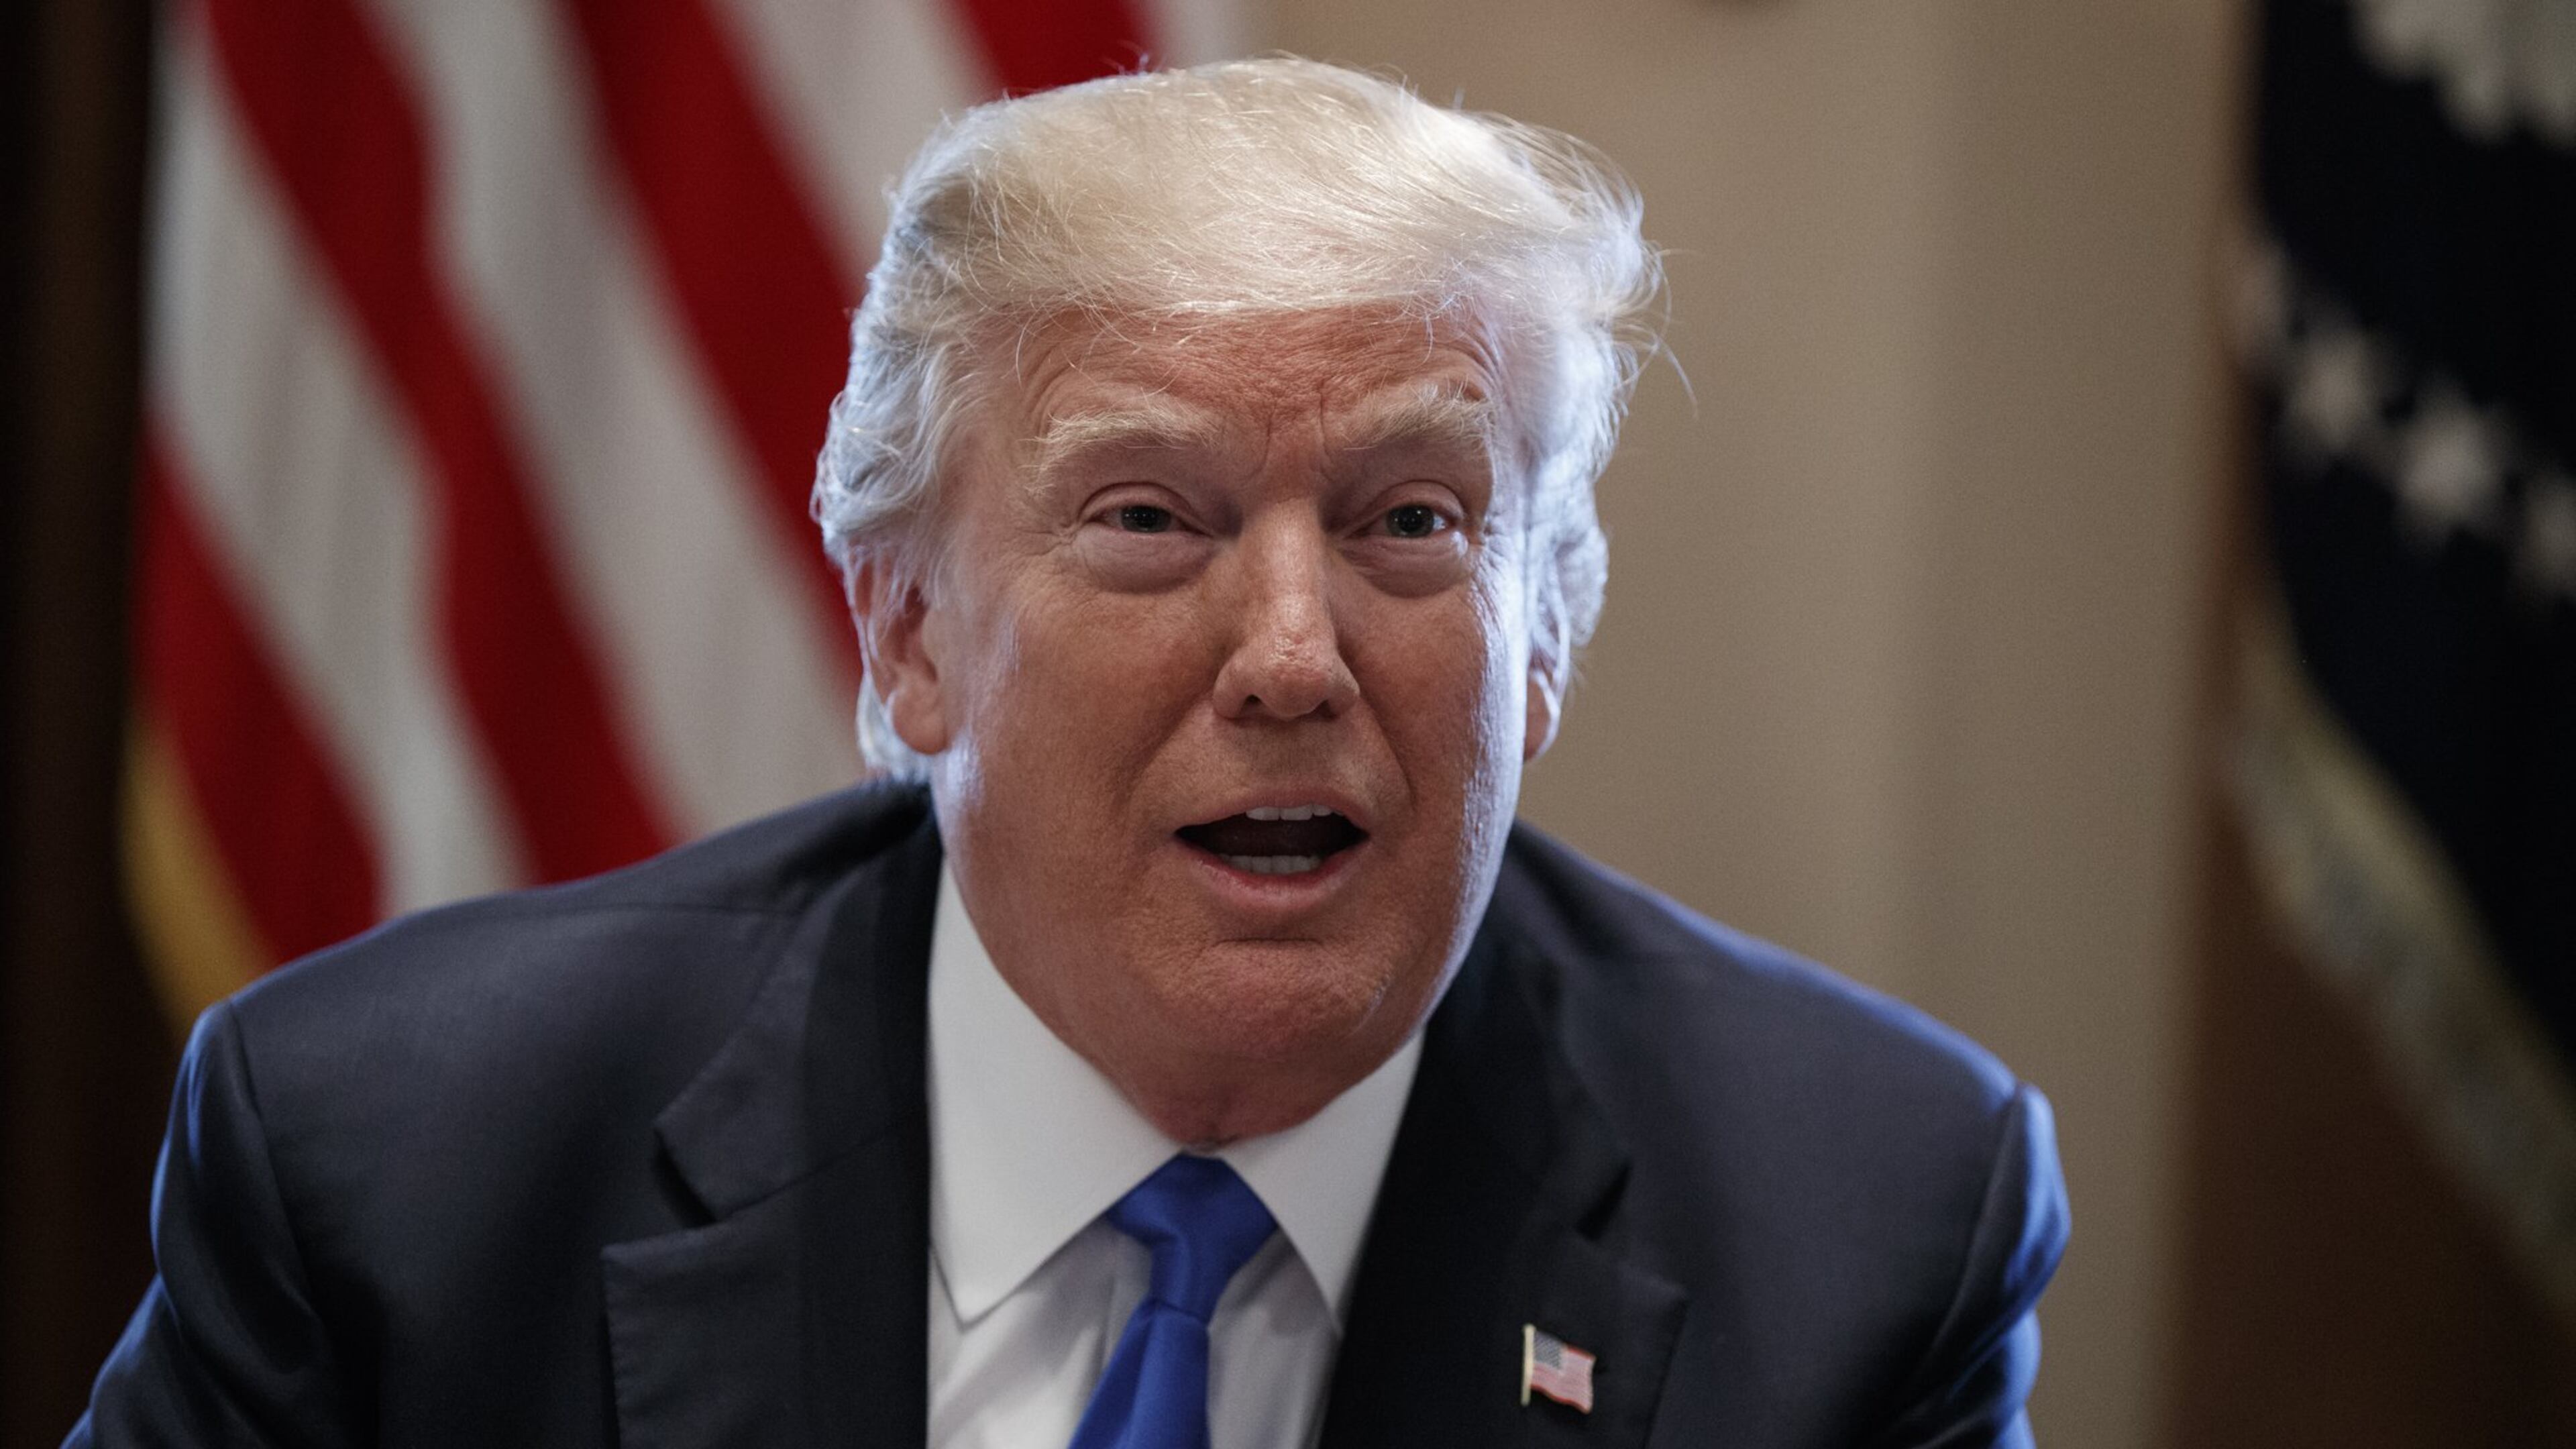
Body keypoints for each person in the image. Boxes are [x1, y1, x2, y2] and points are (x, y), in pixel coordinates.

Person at [72, 58, 2066, 1448]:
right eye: (1147, 519)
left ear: (1546, 635)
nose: (1295, 655)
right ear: (912, 632)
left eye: (1412, 523)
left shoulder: (1866, 1219)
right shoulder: (407, 1167)